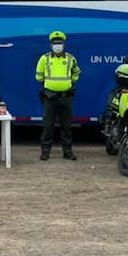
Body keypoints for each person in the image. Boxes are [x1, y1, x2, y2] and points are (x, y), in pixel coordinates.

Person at [35, 30, 81, 161]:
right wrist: (50, 87)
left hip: (66, 97)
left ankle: (67, 152)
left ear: (64, 44)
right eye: (55, 43)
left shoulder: (71, 59)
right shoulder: (44, 59)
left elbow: (76, 73)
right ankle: (45, 152)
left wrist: (69, 83)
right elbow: (39, 77)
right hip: (50, 97)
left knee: (66, 126)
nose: (57, 45)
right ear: (51, 45)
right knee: (48, 126)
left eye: (60, 43)